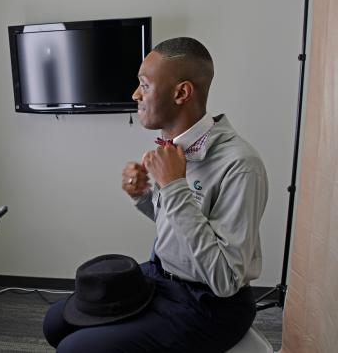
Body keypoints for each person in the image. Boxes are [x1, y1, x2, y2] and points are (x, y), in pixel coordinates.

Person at [42, 37, 268, 352]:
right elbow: (182, 229)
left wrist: (175, 187)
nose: (135, 94)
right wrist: (144, 196)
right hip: (161, 277)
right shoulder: (173, 148)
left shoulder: (241, 165)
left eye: (145, 85)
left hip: (211, 305)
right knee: (55, 323)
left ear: (181, 93)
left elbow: (226, 279)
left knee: (74, 348)